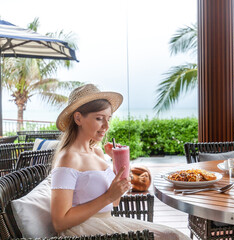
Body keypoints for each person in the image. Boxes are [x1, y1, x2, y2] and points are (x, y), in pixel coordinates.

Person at [51, 84, 190, 240]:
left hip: (107, 223)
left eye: (108, 119)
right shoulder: (68, 158)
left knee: (173, 235)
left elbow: (114, 202)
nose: (106, 126)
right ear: (78, 118)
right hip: (83, 232)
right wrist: (108, 197)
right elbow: (59, 222)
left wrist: (118, 165)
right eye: (99, 118)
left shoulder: (97, 152)